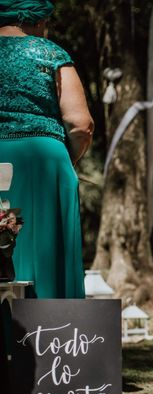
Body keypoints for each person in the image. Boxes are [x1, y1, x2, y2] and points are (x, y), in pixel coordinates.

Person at [0, 0, 93, 299]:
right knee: (46, 252)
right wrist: (68, 161)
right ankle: (48, 336)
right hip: (44, 165)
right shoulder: (50, 53)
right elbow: (80, 124)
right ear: (37, 21)